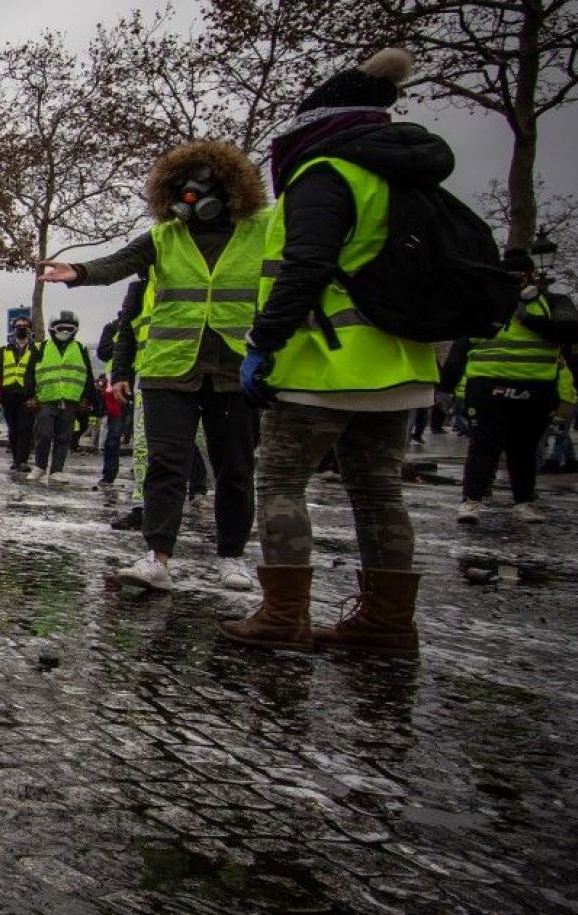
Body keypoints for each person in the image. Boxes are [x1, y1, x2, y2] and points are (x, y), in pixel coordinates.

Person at [221, 48, 441, 656]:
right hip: (397, 362)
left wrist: (263, 342)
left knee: (282, 480)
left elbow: (306, 267)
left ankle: (283, 614)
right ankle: (389, 622)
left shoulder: (326, 174)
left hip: (323, 361)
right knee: (378, 490)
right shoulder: (405, 178)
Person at [41, 140, 270, 592]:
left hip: (235, 367)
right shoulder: (167, 235)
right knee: (166, 463)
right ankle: (157, 557)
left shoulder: (261, 228)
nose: (191, 195)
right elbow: (122, 262)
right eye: (181, 187)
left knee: (235, 467)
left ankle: (232, 556)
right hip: (170, 369)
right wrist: (80, 272)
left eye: (202, 184)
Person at [443, 249, 578, 524]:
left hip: (535, 386)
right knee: (483, 444)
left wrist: (528, 319)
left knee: (524, 448)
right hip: (487, 384)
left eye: (519, 277)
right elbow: (460, 347)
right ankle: (472, 500)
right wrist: (445, 388)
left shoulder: (553, 302)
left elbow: (572, 332)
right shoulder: (484, 305)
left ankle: (524, 501)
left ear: (533, 276)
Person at [23, 311, 96, 484]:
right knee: (43, 434)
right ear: (52, 328)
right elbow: (29, 374)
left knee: (64, 436)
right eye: (61, 328)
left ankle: (57, 470)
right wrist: (30, 396)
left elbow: (88, 375)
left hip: (71, 400)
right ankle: (40, 466)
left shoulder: (80, 348)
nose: (65, 331)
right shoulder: (40, 348)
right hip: (46, 399)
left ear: (75, 330)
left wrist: (87, 398)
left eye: (69, 328)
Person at [0, 316, 38, 473]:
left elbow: (39, 374)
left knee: (25, 427)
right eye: (18, 326)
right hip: (8, 395)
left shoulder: (36, 350)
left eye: (24, 326)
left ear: (29, 329)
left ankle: (23, 460)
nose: (21, 328)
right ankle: (15, 459)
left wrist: (36, 396)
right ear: (13, 329)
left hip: (27, 395)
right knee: (13, 428)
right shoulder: (4, 350)